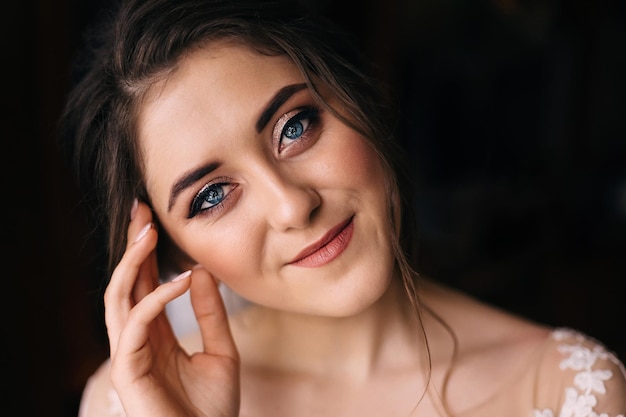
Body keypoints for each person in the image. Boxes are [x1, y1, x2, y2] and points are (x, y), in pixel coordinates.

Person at [59, 0, 626, 416]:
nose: (292, 205)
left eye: (295, 126)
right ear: (171, 249)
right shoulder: (125, 403)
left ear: (357, 96)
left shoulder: (565, 390)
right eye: (211, 196)